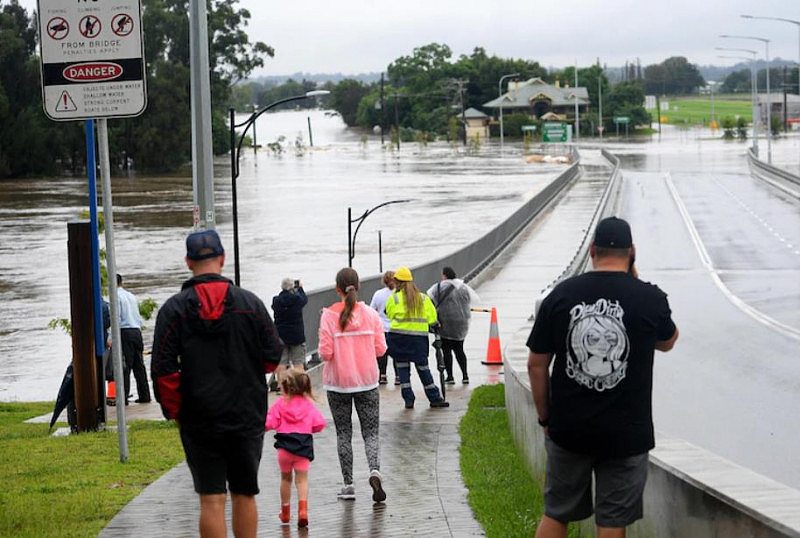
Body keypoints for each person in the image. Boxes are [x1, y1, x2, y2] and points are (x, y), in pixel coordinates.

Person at [526, 217, 679, 538]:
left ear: (592, 250)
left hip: (569, 429)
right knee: (612, 522)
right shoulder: (650, 298)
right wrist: (635, 283)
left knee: (556, 512)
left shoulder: (561, 295)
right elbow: (668, 341)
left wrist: (545, 419)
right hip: (627, 433)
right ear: (632, 251)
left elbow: (536, 365)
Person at [151, 229, 283, 538]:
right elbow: (272, 355)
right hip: (245, 414)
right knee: (244, 493)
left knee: (210, 499)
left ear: (188, 262)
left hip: (199, 417)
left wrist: (176, 412)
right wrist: (249, 371)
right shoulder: (250, 304)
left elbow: (163, 369)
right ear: (222, 259)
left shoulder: (174, 310)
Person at [318, 267, 387, 503]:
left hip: (338, 385)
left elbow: (326, 353)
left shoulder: (328, 316)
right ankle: (374, 471)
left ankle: (348, 485)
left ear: (337, 289)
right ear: (357, 287)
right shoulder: (371, 315)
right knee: (371, 432)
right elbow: (381, 349)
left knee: (343, 433)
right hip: (367, 382)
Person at [265, 369, 326, 529]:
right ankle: (303, 511)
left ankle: (285, 512)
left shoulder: (280, 404)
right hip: (303, 446)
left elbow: (268, 423)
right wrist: (308, 428)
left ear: (285, 387)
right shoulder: (308, 405)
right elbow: (320, 423)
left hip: (284, 448)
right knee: (302, 480)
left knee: (285, 479)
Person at [384, 266, 449, 409]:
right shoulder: (423, 298)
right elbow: (433, 320)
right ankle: (434, 397)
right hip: (418, 340)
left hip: (398, 339)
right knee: (423, 369)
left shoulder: (393, 298)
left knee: (403, 370)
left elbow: (388, 313)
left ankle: (408, 399)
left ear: (397, 282)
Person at [426, 266, 480, 385]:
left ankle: (450, 376)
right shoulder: (463, 287)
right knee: (459, 349)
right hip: (461, 323)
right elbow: (470, 300)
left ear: (444, 275)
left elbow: (430, 303)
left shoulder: (438, 287)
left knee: (446, 350)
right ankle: (465, 375)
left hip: (445, 323)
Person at [116, 274, 151, 404]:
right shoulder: (131, 296)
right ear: (121, 282)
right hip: (136, 332)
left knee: (125, 366)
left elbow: (117, 318)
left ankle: (123, 398)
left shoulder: (116, 297)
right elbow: (137, 316)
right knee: (139, 366)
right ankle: (145, 396)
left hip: (124, 332)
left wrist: (110, 337)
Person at [270, 278, 309, 391]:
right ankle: (300, 386)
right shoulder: (297, 299)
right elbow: (304, 299)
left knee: (281, 362)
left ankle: (281, 387)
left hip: (281, 336)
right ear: (292, 288)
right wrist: (300, 288)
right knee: (298, 362)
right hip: (296, 336)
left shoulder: (276, 300)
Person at [369, 270, 399, 385]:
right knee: (396, 353)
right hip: (395, 327)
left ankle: (382, 375)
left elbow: (372, 310)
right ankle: (398, 376)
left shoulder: (378, 294)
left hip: (381, 328)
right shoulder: (399, 293)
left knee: (382, 353)